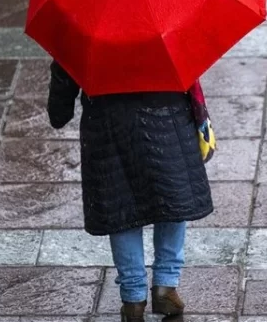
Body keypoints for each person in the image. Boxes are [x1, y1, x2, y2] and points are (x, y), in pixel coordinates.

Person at [47, 60, 216, 322]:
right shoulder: (166, 20)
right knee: (172, 199)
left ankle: (133, 298)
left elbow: (59, 112)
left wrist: (60, 101)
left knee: (122, 209)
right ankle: (166, 286)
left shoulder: (86, 28)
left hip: (107, 126)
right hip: (166, 115)